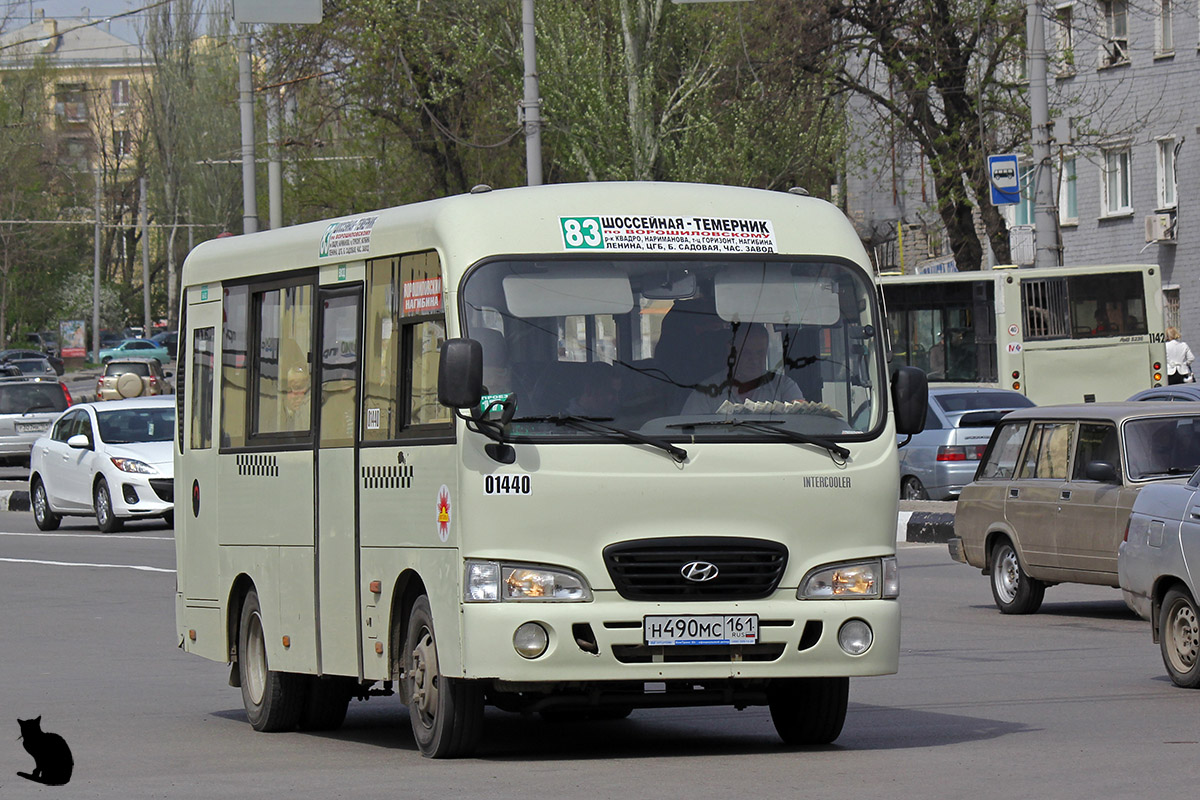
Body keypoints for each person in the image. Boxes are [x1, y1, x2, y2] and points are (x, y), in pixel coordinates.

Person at [680, 323, 804, 414]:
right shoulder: (705, 393)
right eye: (747, 353)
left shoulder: (784, 387)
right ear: (731, 352)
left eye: (760, 353)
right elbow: (689, 436)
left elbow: (801, 424)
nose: (754, 360)